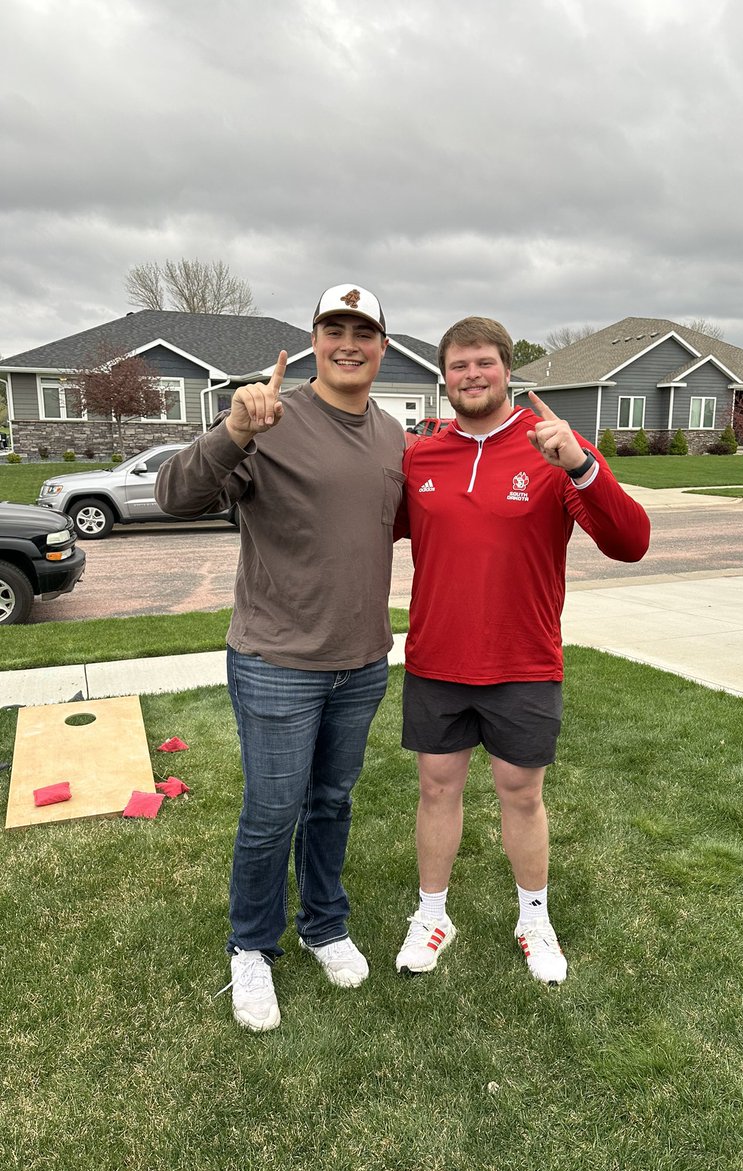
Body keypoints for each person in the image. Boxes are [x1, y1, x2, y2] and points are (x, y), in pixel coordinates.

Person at [156, 284, 405, 1031]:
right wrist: (232, 430)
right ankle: (251, 947)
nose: (349, 342)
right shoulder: (270, 417)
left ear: (383, 347)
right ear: (313, 340)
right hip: (276, 662)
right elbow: (175, 494)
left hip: (361, 661)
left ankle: (325, 924)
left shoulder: (394, 435)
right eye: (335, 328)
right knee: (272, 812)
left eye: (364, 330)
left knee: (331, 803)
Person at [394, 316, 650, 985]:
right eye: (458, 366)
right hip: (436, 659)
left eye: (483, 363)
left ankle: (533, 918)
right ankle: (432, 915)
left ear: (507, 369)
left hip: (524, 661)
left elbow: (630, 542)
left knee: (521, 795)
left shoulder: (553, 449)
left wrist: (580, 464)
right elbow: (361, 527)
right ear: (443, 378)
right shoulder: (420, 456)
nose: (471, 376)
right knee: (435, 788)